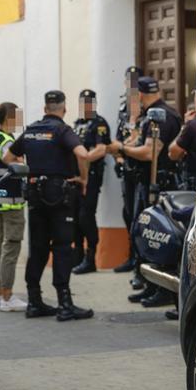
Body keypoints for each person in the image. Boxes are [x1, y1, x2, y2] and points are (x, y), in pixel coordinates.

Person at [3, 90, 107, 321]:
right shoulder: (62, 130)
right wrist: (83, 179)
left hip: (35, 195)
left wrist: (30, 169)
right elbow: (82, 154)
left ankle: (34, 302)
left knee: (38, 247)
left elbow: (8, 158)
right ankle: (65, 304)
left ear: (44, 108)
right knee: (61, 246)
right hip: (59, 195)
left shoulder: (30, 131)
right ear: (64, 109)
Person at [108, 75, 182, 308]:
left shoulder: (160, 116)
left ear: (139, 94)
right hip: (144, 182)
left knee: (157, 234)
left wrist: (120, 148)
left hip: (158, 184)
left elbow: (150, 152)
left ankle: (161, 289)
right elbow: (137, 142)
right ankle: (150, 284)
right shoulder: (149, 115)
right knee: (147, 232)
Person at [0, 102, 28, 312]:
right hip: (11, 201)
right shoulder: (7, 140)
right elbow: (11, 161)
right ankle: (7, 298)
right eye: (17, 117)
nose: (19, 121)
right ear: (8, 119)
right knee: (10, 247)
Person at [71, 89, 111, 274]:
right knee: (75, 217)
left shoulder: (99, 123)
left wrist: (84, 156)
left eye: (89, 103)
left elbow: (101, 149)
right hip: (76, 178)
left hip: (92, 177)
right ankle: (77, 255)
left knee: (86, 216)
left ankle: (90, 257)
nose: (85, 106)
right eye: (83, 103)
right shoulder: (78, 123)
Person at [113, 66, 142, 274]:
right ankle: (131, 255)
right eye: (128, 81)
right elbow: (116, 139)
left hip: (140, 169)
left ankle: (140, 259)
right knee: (127, 213)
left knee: (139, 215)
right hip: (126, 168)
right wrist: (119, 157)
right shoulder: (123, 109)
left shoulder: (144, 110)